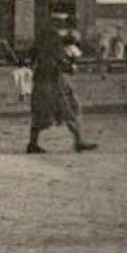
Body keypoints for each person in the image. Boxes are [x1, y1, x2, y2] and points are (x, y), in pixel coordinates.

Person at [27, 14, 98, 154]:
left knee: (41, 112)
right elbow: (59, 60)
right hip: (54, 81)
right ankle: (78, 142)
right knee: (69, 109)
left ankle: (32, 143)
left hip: (42, 79)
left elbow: (32, 57)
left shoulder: (41, 39)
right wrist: (70, 66)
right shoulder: (54, 39)